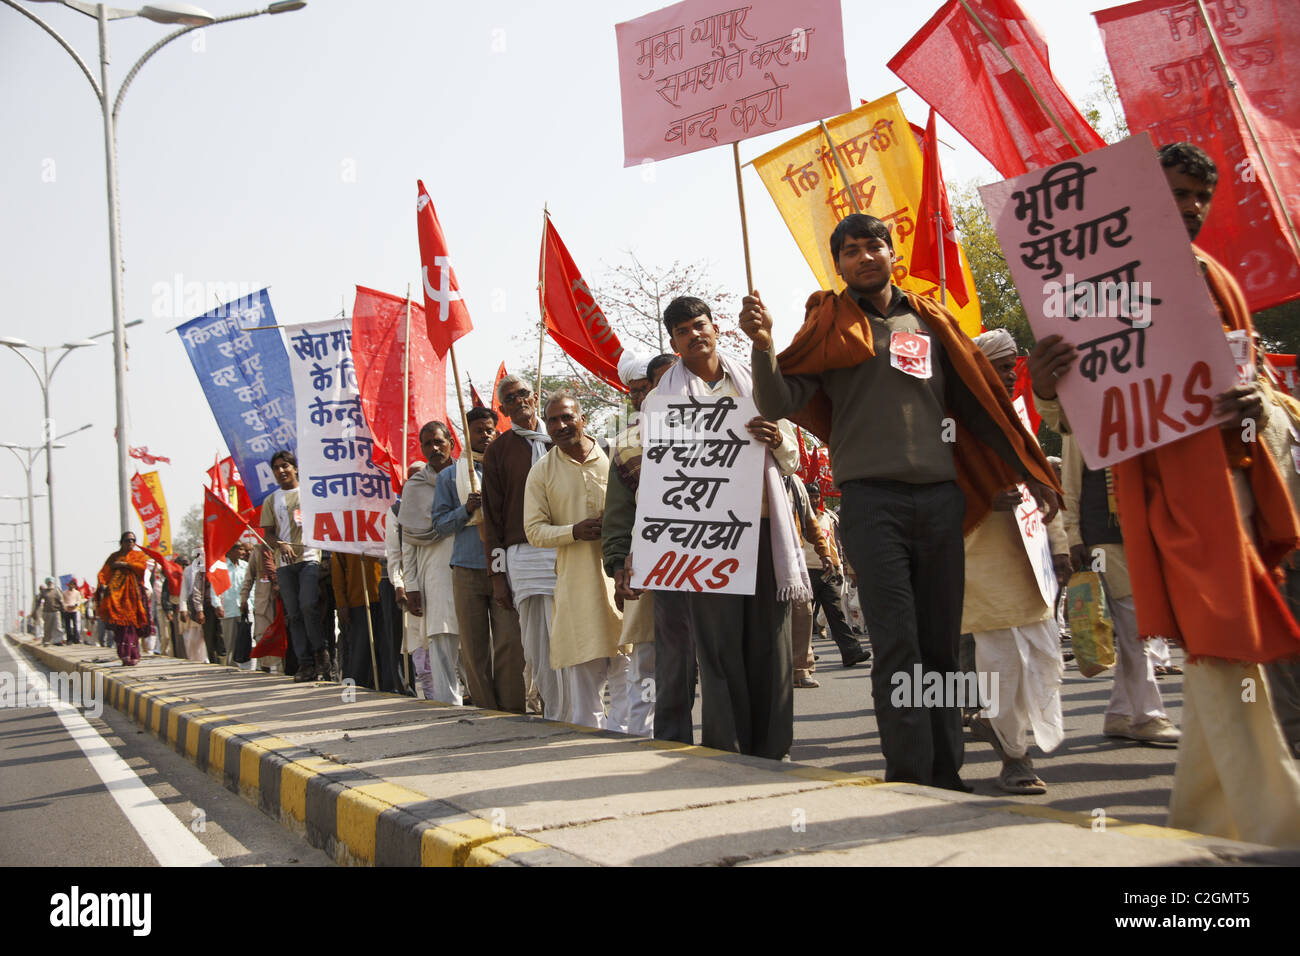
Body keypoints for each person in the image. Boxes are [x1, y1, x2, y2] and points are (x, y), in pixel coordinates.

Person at [1028, 142, 1300, 845]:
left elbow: (1258, 384)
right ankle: (1270, 816)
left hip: (1236, 484)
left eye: (1199, 199)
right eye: (1175, 195)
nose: (1190, 210)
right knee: (1221, 639)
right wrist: (1046, 381)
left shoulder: (1215, 278)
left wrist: (1256, 403)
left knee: (1228, 646)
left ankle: (1217, 812)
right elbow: (1078, 416)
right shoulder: (1096, 288)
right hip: (1167, 500)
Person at [745, 213, 1060, 790]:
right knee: (896, 644)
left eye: (874, 246)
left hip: (941, 500)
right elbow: (776, 400)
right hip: (870, 502)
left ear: (893, 254)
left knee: (943, 642)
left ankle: (949, 770)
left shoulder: (932, 321)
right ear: (837, 264)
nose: (865, 257)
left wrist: (1028, 470)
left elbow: (980, 406)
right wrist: (763, 346)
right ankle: (911, 773)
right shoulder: (828, 327)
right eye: (851, 251)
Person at [630, 295, 807, 760]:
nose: (695, 335)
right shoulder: (659, 403)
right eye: (683, 331)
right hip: (705, 542)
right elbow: (660, 479)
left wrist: (775, 439)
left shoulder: (758, 383)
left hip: (765, 527)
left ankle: (773, 746)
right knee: (718, 648)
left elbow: (793, 456)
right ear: (673, 342)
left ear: (716, 327)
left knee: (770, 640)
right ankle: (726, 747)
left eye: (700, 325)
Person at [962, 328, 1068, 794]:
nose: (1010, 376)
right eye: (1001, 367)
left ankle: (1002, 731)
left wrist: (1060, 549)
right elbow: (939, 487)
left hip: (1033, 564)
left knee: (1045, 659)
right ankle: (1014, 758)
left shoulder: (1021, 423)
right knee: (1001, 664)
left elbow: (1044, 490)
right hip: (981, 561)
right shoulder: (953, 421)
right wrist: (985, 497)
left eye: (1012, 367)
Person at [525, 392, 625, 729]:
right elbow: (534, 531)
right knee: (585, 682)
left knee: (630, 671)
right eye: (552, 420)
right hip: (577, 587)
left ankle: (631, 742)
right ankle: (590, 753)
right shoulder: (541, 472)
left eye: (567, 417)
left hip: (624, 581)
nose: (561, 425)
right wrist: (573, 531)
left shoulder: (615, 457)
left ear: (583, 419)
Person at [605, 351, 690, 742]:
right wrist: (618, 562)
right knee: (646, 657)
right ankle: (643, 735)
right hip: (650, 562)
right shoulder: (625, 445)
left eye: (651, 388)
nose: (644, 397)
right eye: (637, 391)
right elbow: (619, 515)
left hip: (709, 560)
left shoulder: (715, 430)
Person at [434, 406, 525, 713]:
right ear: (467, 434)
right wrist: (466, 509)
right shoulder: (450, 476)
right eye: (479, 431)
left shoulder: (506, 469)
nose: (486, 435)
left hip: (502, 565)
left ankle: (512, 709)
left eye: (490, 430)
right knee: (474, 646)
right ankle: (486, 710)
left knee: (511, 642)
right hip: (466, 569)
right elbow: (440, 525)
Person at [481, 374, 562, 719]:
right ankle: (555, 712)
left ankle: (581, 709)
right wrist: (497, 576)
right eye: (510, 399)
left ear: (535, 394)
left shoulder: (563, 437)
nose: (519, 401)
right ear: (502, 409)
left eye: (523, 394)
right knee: (538, 643)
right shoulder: (498, 452)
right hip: (524, 555)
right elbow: (493, 519)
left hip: (567, 547)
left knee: (571, 632)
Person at [399, 423, 462, 704]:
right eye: (427, 444)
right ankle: (449, 705)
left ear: (450, 442)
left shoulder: (468, 476)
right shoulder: (414, 487)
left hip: (470, 565)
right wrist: (411, 584)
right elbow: (409, 540)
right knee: (441, 637)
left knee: (478, 638)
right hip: (433, 571)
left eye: (439, 442)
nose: (434, 449)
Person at [260, 450, 329, 683]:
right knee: (294, 614)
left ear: (295, 468)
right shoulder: (271, 500)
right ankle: (305, 663)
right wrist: (279, 544)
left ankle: (322, 653)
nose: (281, 471)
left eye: (285, 466)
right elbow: (267, 534)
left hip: (309, 557)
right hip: (285, 564)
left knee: (308, 605)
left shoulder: (312, 493)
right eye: (276, 468)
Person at [802, 482, 870, 669]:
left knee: (836, 612)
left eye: (816, 496)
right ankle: (804, 653)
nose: (813, 499)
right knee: (805, 615)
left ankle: (851, 652)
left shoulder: (826, 518)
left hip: (826, 572)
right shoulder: (798, 518)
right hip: (805, 570)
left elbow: (832, 544)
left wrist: (837, 566)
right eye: (810, 496)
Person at [96, 532, 150, 666]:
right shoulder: (114, 557)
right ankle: (124, 654)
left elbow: (142, 568)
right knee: (120, 626)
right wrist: (102, 584)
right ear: (121, 542)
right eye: (127, 540)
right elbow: (103, 573)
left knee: (132, 625)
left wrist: (125, 565)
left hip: (134, 596)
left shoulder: (139, 555)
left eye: (133, 540)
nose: (130, 542)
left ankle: (133, 654)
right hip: (117, 597)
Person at [331, 551, 383, 688]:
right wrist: (341, 603)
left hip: (384, 596)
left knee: (383, 651)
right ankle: (354, 690)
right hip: (357, 600)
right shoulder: (343, 537)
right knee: (359, 652)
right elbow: (337, 572)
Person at [34, 578, 63, 645]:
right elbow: (38, 601)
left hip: (56, 611)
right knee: (47, 627)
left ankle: (58, 641)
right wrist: (35, 611)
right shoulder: (44, 592)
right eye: (49, 582)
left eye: (51, 582)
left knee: (57, 626)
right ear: (47, 583)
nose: (50, 583)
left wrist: (62, 608)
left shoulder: (56, 591)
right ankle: (47, 640)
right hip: (47, 612)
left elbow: (61, 600)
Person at [61, 579, 82, 645]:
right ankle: (69, 639)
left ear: (74, 586)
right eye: (70, 584)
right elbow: (62, 602)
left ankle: (76, 639)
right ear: (68, 585)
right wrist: (67, 606)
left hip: (74, 610)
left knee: (75, 625)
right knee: (68, 626)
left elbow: (79, 601)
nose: (71, 586)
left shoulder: (77, 593)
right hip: (67, 610)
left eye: (73, 585)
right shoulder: (64, 593)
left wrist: (75, 605)